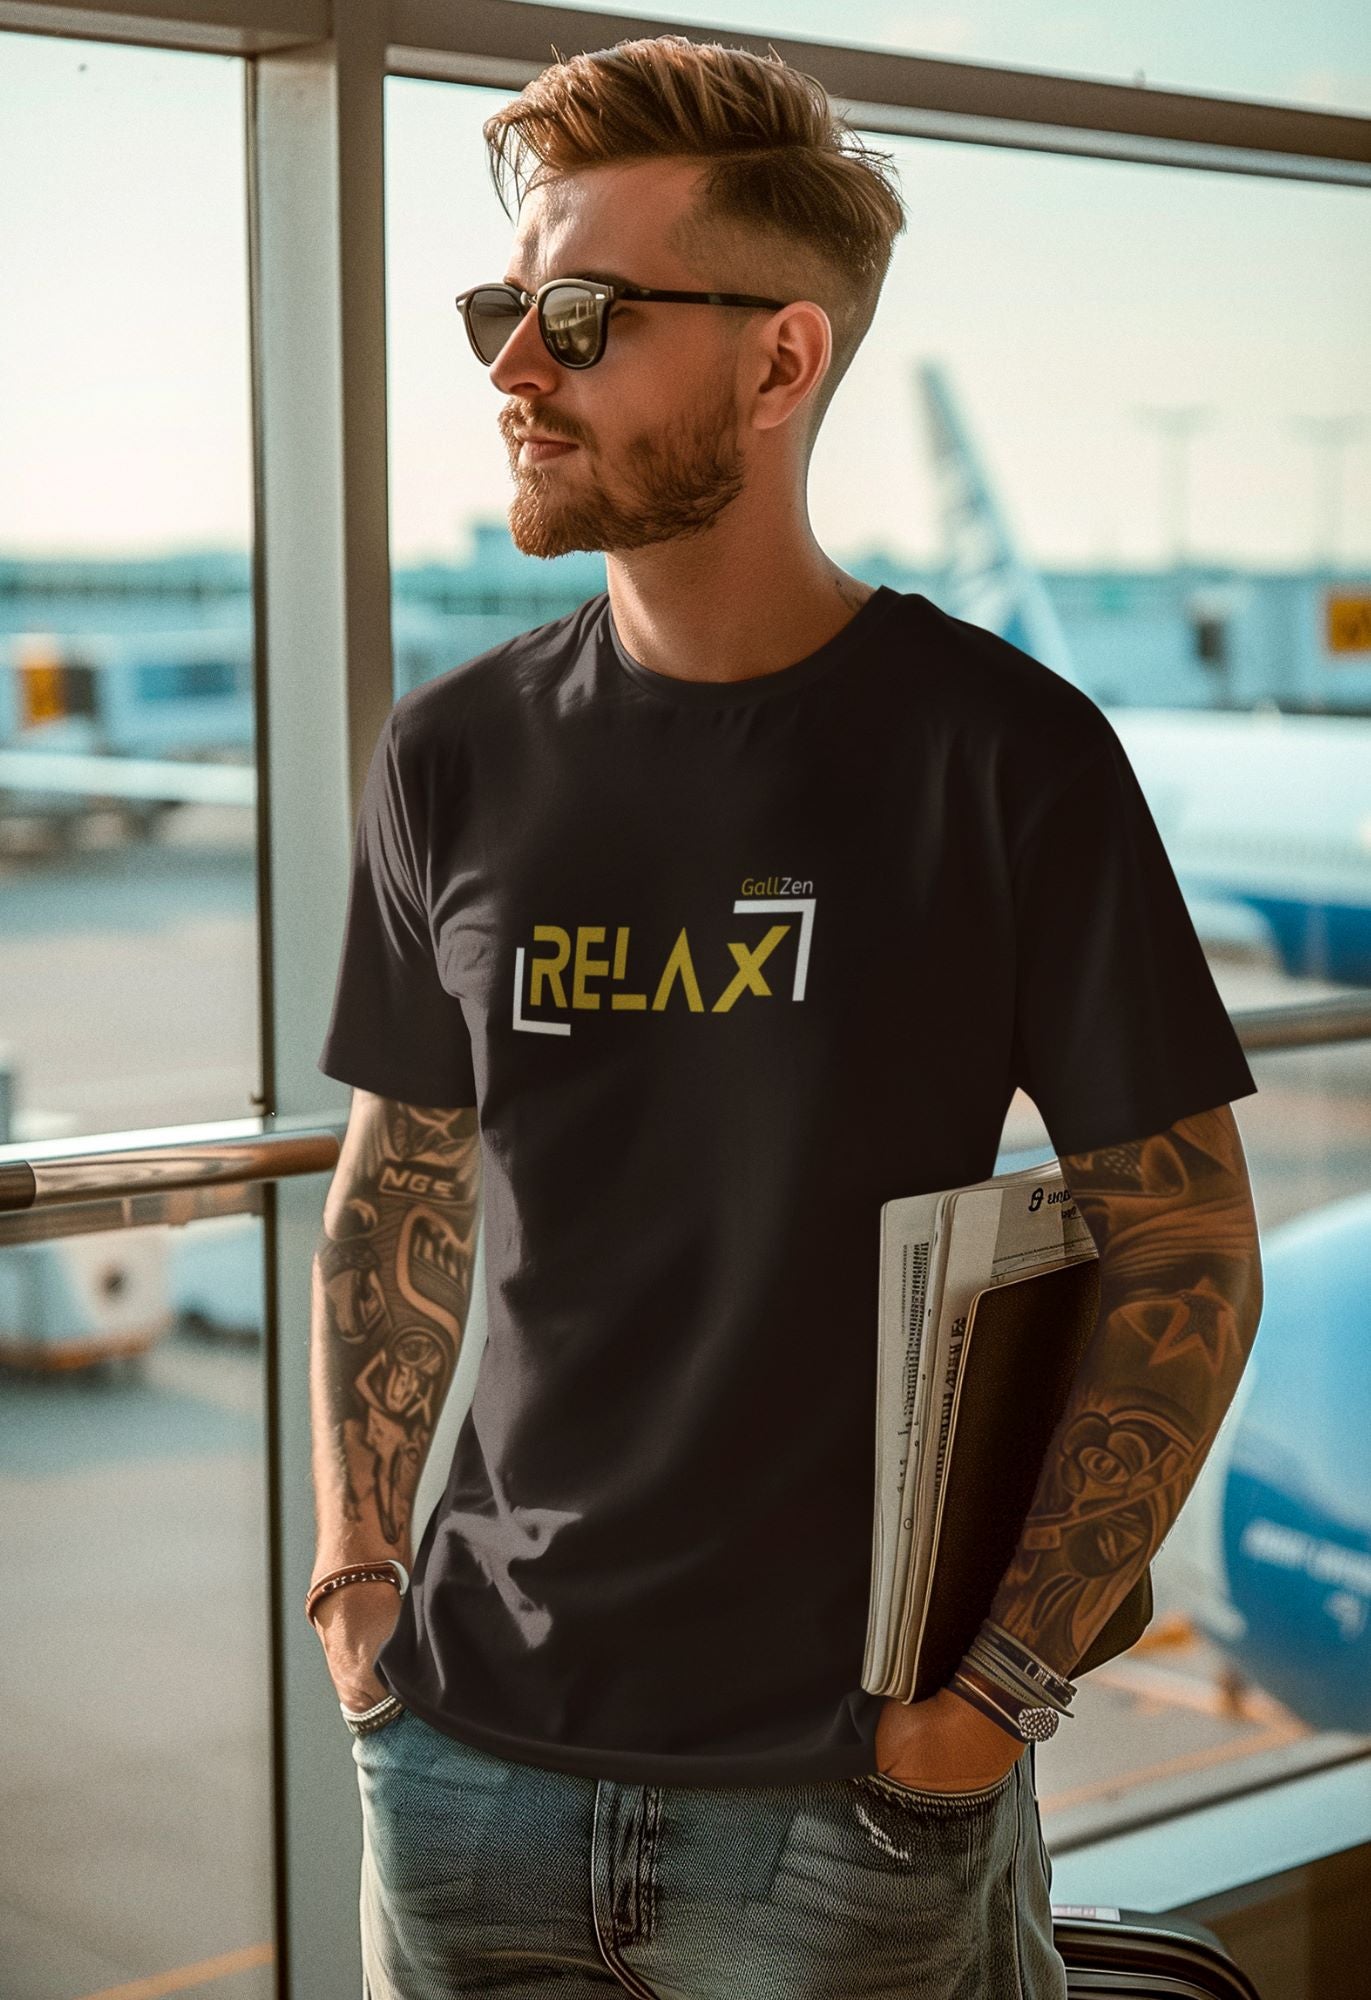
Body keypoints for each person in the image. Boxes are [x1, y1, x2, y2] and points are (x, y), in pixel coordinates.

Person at [308, 33, 1264, 1999]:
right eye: (503, 306)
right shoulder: (452, 754)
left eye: (578, 314)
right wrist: (356, 1600)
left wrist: (983, 1705)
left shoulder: (1000, 758)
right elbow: (392, 1192)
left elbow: (1182, 1239)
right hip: (467, 1763)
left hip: (841, 1795)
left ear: (776, 360)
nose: (509, 365)